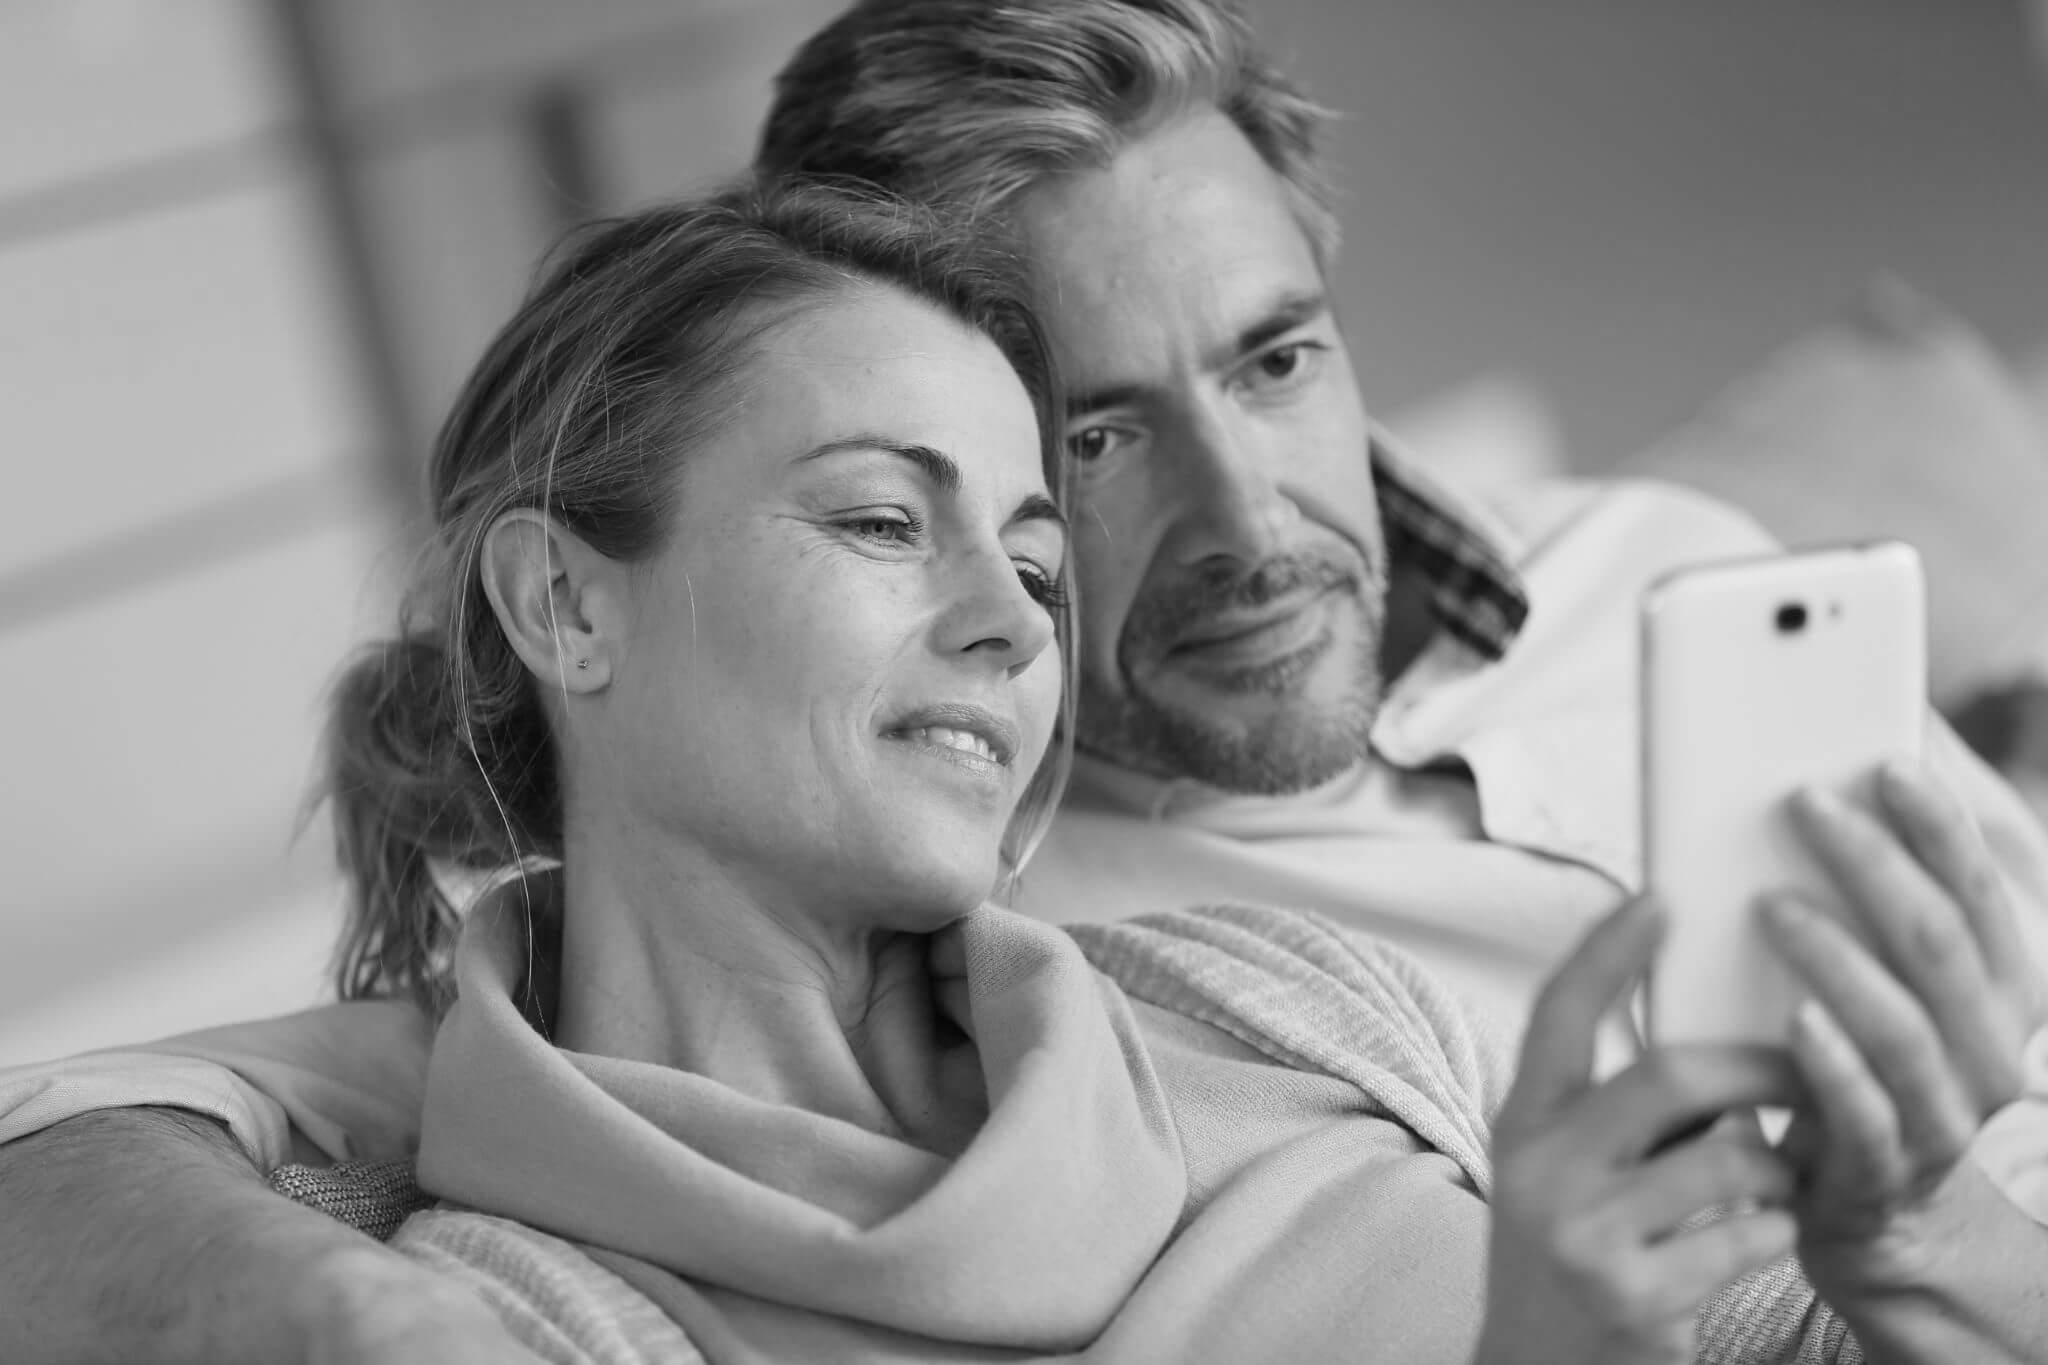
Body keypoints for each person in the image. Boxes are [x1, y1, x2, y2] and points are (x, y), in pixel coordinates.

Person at [4, 0, 2048, 1357]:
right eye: (889, 514)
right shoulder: (532, 1288)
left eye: (1276, 357)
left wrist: (1912, 1232)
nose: (1014, 615)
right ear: (566, 604)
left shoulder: (1284, 988)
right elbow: (111, 1125)